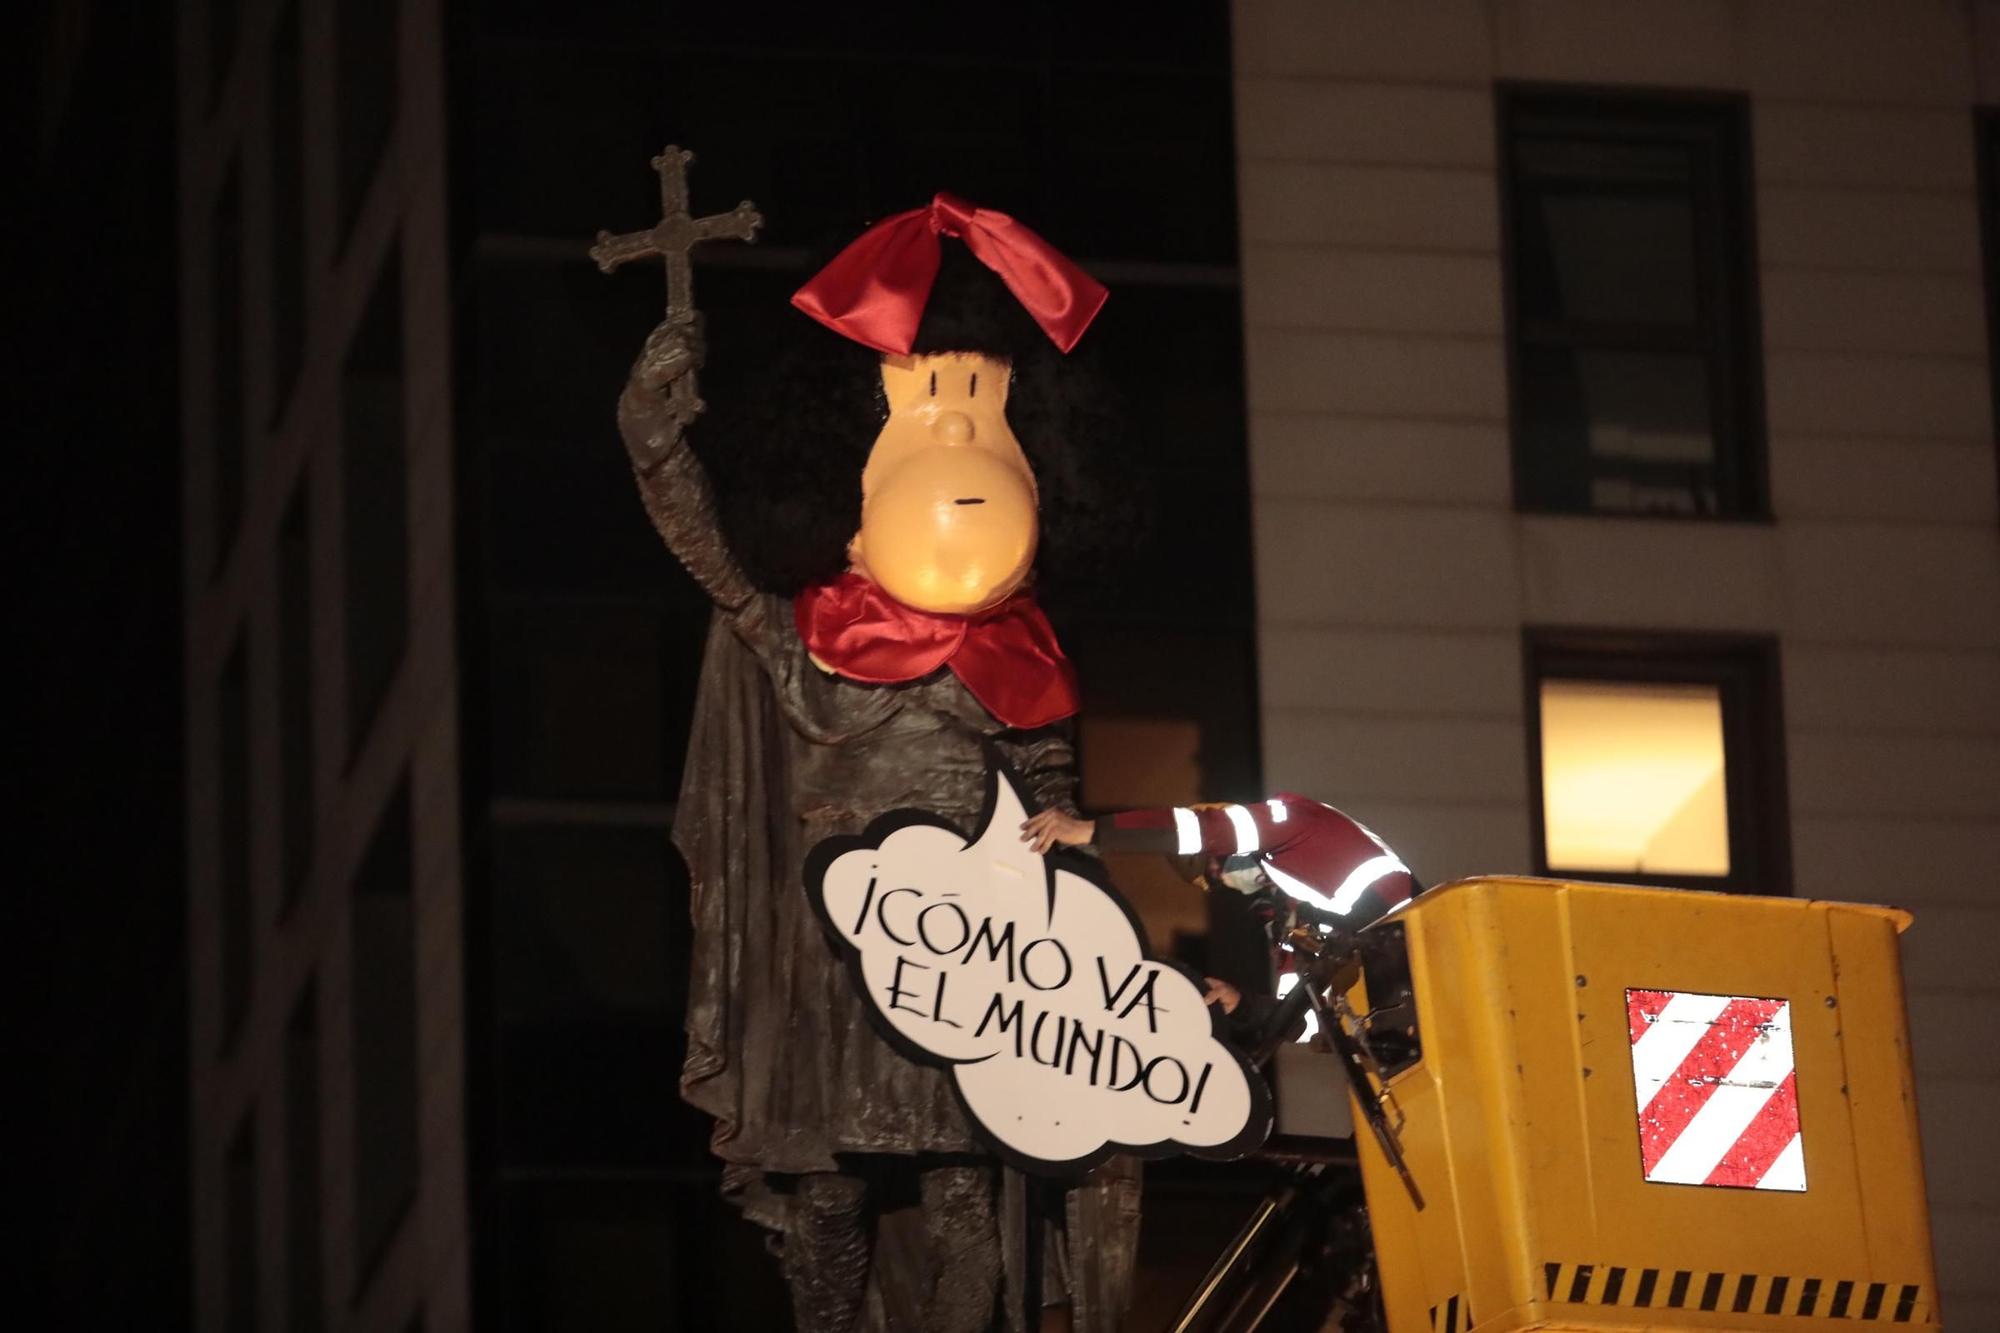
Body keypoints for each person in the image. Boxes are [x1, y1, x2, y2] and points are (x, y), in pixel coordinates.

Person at [623, 195, 1137, 1333]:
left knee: (967, 1188)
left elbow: (1050, 783)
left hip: (976, 944)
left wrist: (1071, 866)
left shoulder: (1022, 652)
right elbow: (703, 543)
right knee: (830, 1194)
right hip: (829, 943)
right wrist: (652, 432)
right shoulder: (800, 634)